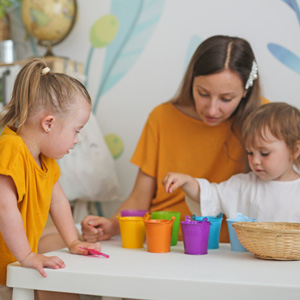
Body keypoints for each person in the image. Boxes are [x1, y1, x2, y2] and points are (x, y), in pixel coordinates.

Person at [80, 34, 268, 243]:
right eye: (203, 93)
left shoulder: (264, 120)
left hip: (228, 247)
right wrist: (113, 225)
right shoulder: (162, 117)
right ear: (191, 81)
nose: (212, 109)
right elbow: (139, 197)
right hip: (162, 241)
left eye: (226, 98)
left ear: (245, 91)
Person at [0, 58, 101, 300]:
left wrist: (73, 242)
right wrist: (26, 255)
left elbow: (58, 202)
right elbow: (4, 207)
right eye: (76, 130)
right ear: (48, 123)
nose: (76, 139)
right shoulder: (11, 148)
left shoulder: (46, 160)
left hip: (14, 261)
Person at [162, 102, 300, 222]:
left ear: (294, 150)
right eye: (250, 153)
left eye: (265, 153)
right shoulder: (242, 185)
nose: (256, 161)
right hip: (246, 253)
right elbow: (208, 195)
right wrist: (186, 181)